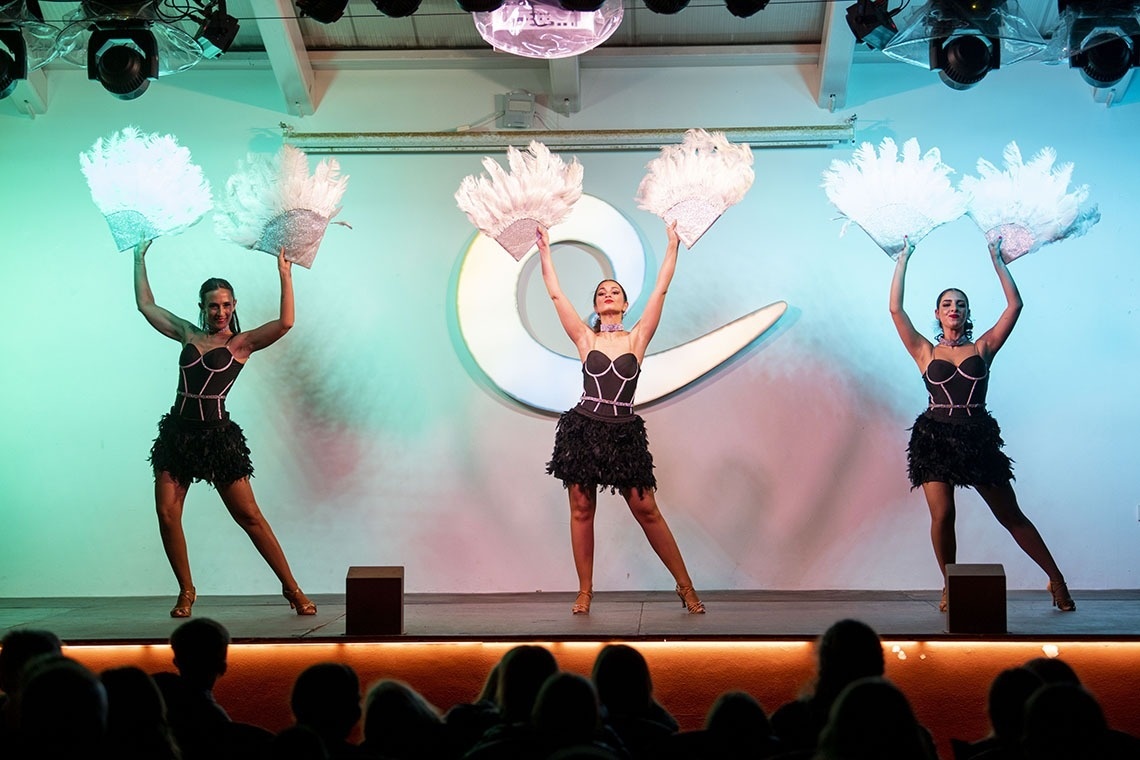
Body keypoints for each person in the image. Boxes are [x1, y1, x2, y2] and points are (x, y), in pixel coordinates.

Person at [889, 236, 1074, 613]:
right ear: (938, 313)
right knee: (944, 515)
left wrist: (998, 261)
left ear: (967, 312)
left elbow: (1015, 305)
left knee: (1010, 515)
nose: (953, 308)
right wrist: (903, 259)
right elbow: (895, 309)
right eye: (946, 304)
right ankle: (950, 586)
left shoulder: (984, 347)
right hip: (934, 437)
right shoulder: (925, 350)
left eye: (960, 304)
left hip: (976, 437)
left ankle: (1056, 579)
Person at [133, 239, 315, 618]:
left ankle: (292, 588)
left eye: (227, 305)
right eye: (213, 305)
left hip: (217, 438)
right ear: (202, 307)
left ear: (234, 307)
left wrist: (284, 274)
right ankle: (186, 591)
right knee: (167, 514)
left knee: (249, 517)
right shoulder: (187, 333)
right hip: (178, 435)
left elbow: (285, 323)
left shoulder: (240, 344)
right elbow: (146, 306)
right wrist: (139, 259)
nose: (220, 311)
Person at [538, 222, 704, 616]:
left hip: (624, 433)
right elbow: (556, 293)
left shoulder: (638, 338)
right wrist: (545, 252)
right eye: (600, 292)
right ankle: (584, 592)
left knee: (646, 509)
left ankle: (686, 587)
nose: (608, 294)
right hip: (583, 429)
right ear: (596, 307)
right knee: (581, 509)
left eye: (615, 291)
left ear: (625, 304)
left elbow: (662, 288)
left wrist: (672, 245)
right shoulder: (585, 338)